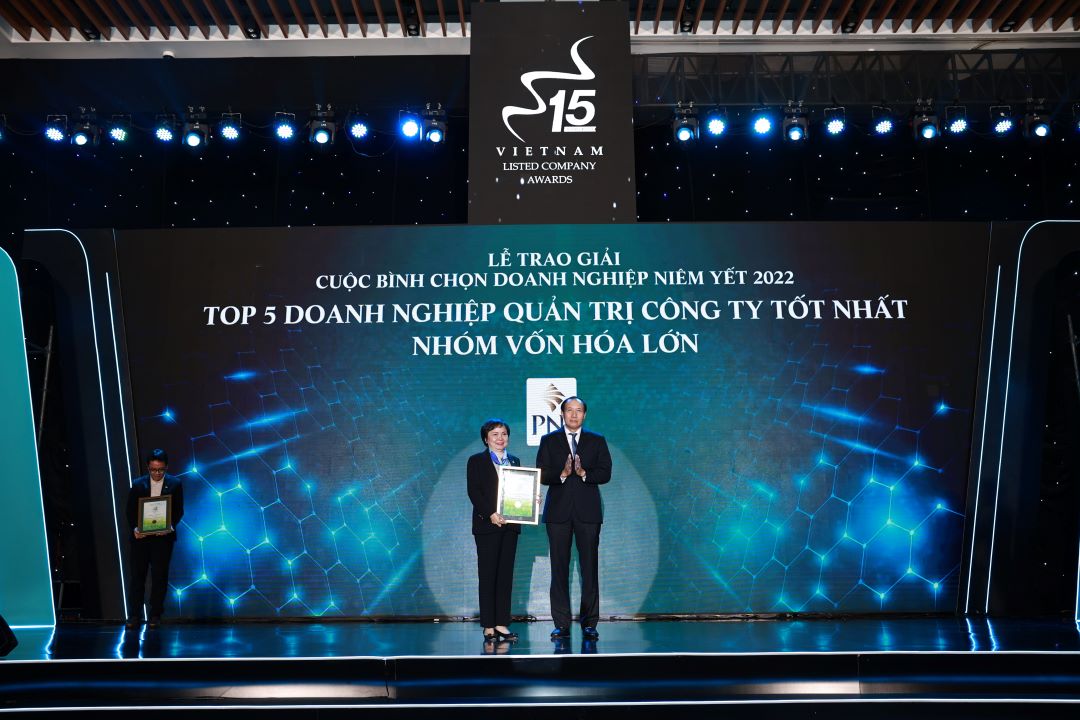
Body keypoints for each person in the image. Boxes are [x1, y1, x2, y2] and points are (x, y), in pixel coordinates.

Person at [535, 396, 611, 641]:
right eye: (570, 410)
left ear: (584, 415)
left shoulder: (597, 440)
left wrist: (584, 473)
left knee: (589, 569)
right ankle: (561, 624)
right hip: (558, 513)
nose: (574, 415)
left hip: (588, 513)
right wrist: (564, 473)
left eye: (579, 410)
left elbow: (606, 472)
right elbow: (541, 474)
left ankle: (590, 623)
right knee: (559, 569)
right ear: (562, 414)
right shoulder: (549, 440)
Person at [466, 419, 522, 643]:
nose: (500, 438)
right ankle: (489, 625)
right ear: (486, 439)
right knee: (488, 575)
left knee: (505, 575)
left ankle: (501, 623)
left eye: (504, 434)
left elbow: (520, 492)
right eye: (495, 434)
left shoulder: (515, 461)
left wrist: (531, 499)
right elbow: (474, 492)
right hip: (487, 525)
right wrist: (490, 513)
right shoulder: (476, 461)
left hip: (510, 526)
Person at [125, 448, 184, 628]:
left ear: (166, 467)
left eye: (161, 470)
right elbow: (130, 511)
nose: (157, 473)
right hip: (141, 539)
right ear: (148, 467)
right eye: (153, 470)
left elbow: (178, 511)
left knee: (159, 577)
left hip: (163, 539)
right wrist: (135, 528)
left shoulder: (175, 484)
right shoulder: (138, 484)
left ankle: (155, 615)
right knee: (137, 577)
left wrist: (169, 527)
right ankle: (134, 615)